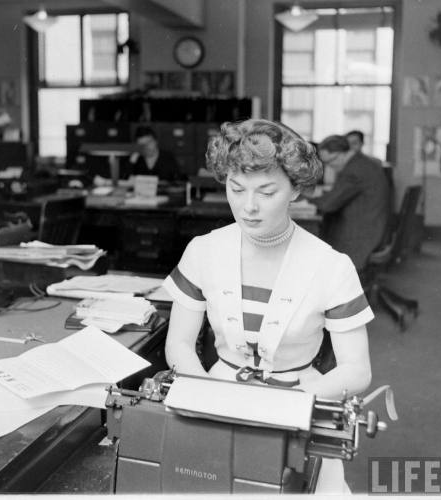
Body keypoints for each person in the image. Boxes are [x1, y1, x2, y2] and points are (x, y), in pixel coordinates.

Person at [162, 119, 373, 493]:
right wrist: (204, 391)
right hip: (217, 393)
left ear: (295, 190)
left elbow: (357, 370)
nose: (248, 207)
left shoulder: (331, 266)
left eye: (266, 192)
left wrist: (288, 405)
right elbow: (179, 343)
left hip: (300, 399)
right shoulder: (203, 251)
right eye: (236, 188)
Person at [309, 134, 390, 271]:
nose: (330, 167)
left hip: (362, 236)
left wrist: (306, 196)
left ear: (342, 153)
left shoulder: (354, 170)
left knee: (314, 247)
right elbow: (339, 195)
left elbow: (328, 204)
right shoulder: (361, 163)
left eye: (330, 161)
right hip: (373, 227)